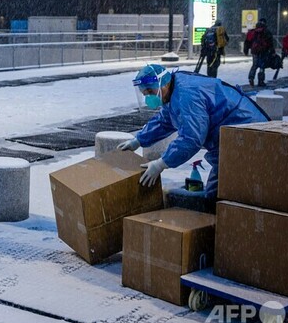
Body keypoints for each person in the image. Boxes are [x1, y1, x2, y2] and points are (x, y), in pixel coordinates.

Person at [117, 64, 269, 201]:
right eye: (145, 93)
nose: (148, 96)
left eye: (150, 90)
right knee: (222, 191)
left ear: (163, 83)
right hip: (232, 138)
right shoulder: (175, 90)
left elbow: (191, 138)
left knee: (226, 193)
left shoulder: (187, 95)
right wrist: (138, 141)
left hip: (246, 134)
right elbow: (165, 121)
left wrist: (161, 163)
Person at [243, 19, 274, 87]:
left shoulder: (253, 32)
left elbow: (247, 41)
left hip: (254, 51)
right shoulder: (266, 31)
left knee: (254, 65)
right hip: (263, 51)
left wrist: (246, 50)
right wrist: (272, 51)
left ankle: (251, 77)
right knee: (262, 66)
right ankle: (261, 81)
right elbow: (270, 43)